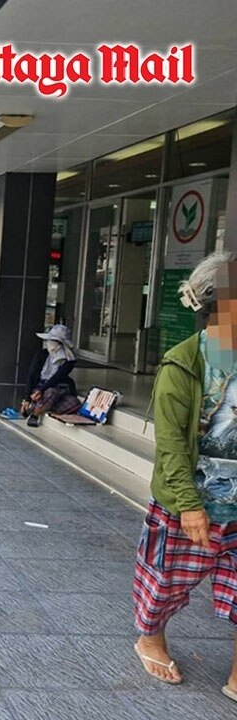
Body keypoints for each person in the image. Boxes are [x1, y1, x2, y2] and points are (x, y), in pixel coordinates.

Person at [133, 251, 237, 698]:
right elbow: (171, 443)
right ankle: (150, 636)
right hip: (192, 499)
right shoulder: (184, 363)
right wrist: (190, 505)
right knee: (165, 581)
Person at [20, 324, 79, 427]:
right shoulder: (42, 354)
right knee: (50, 394)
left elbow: (57, 378)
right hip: (40, 387)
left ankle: (36, 409)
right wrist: (27, 398)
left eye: (52, 341)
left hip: (56, 388)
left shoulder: (68, 360)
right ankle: (36, 413)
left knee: (71, 401)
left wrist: (41, 390)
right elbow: (32, 375)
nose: (49, 343)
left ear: (60, 344)